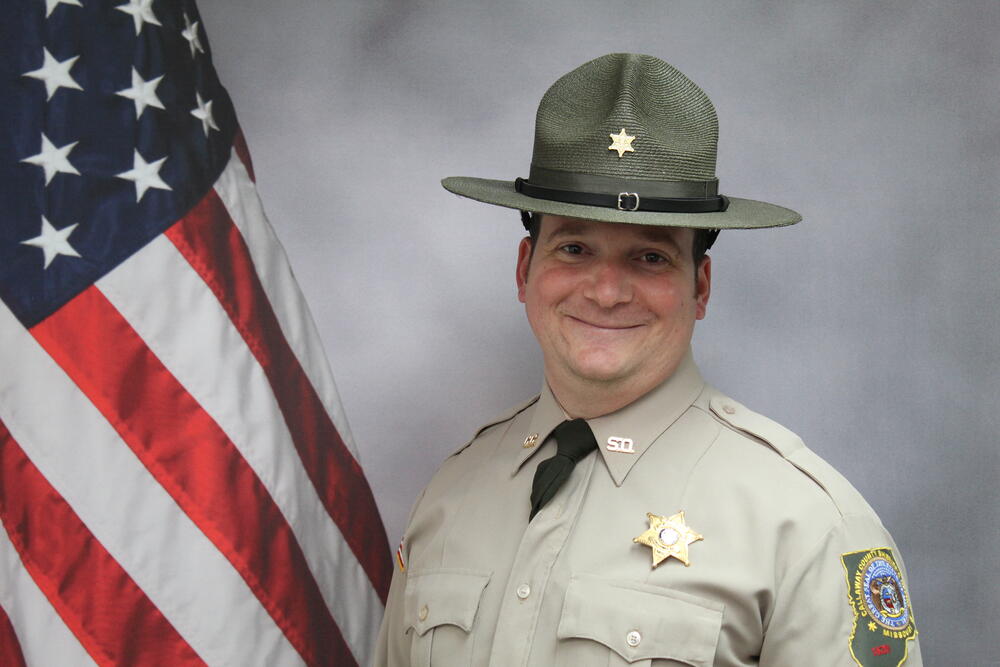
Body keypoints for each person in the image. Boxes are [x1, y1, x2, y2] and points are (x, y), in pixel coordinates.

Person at [374, 53, 920, 666]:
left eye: (651, 258)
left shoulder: (806, 523)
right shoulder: (451, 494)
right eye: (574, 247)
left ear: (701, 286)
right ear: (526, 270)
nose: (606, 291)